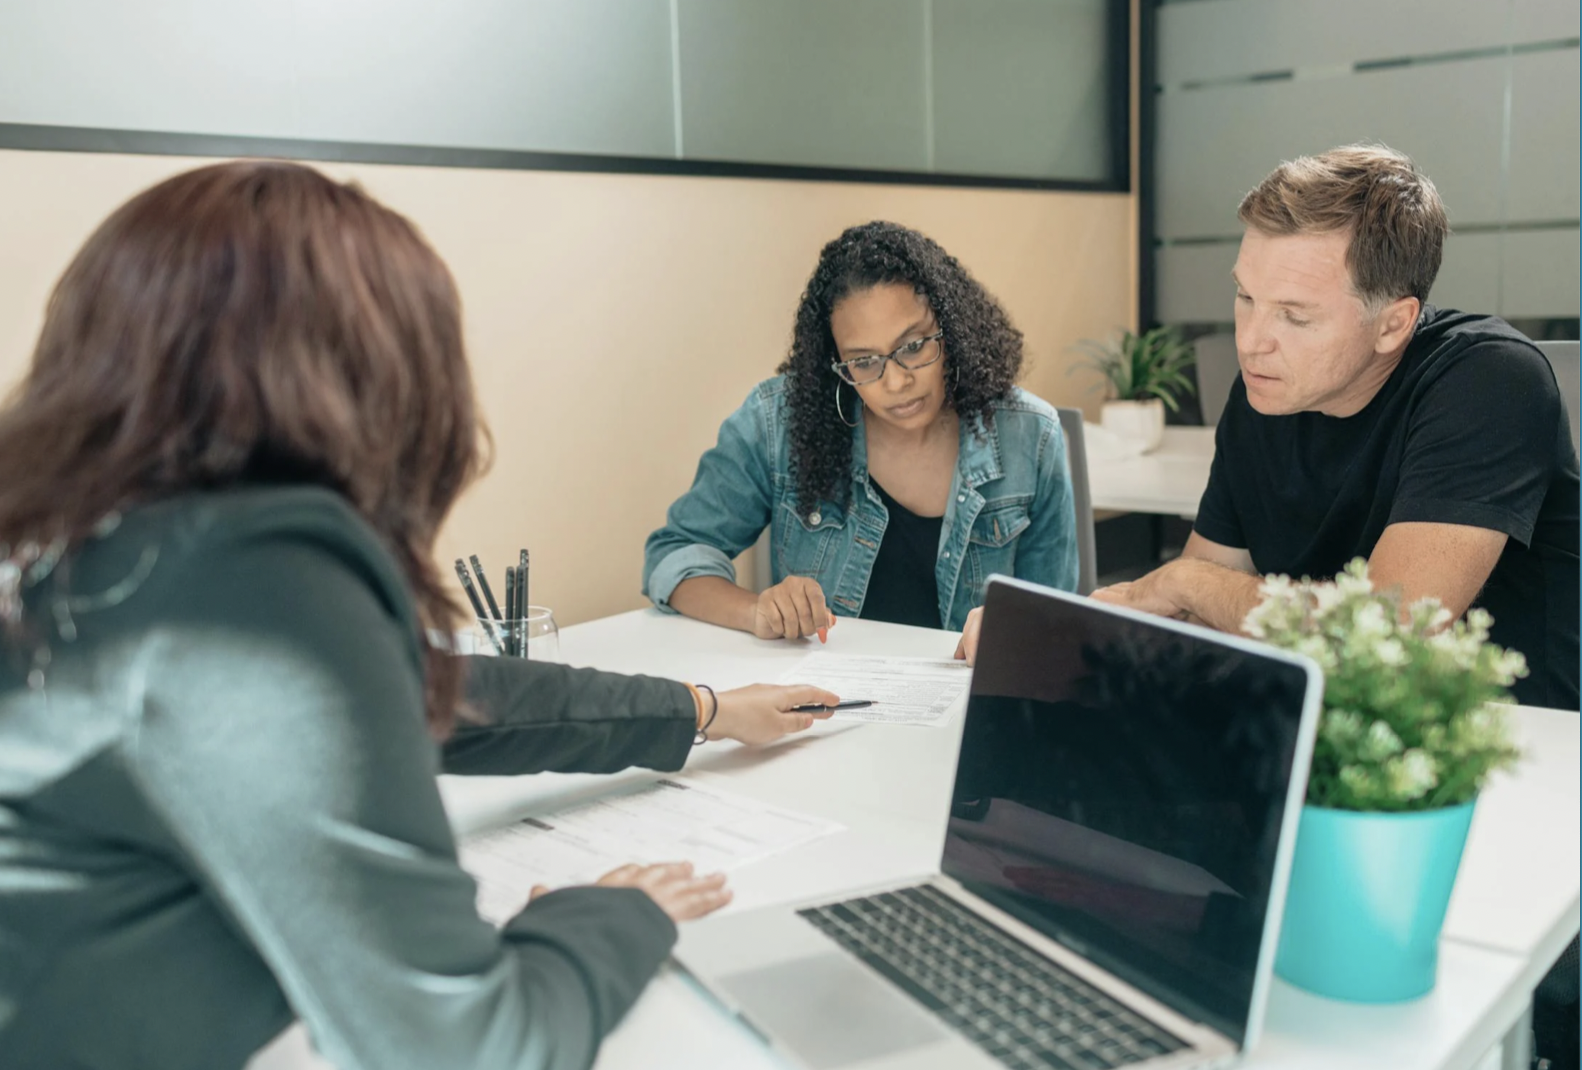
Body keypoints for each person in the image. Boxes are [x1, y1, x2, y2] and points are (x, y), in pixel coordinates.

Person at [0, 161, 842, 1070]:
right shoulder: (248, 572)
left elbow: (429, 689)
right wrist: (606, 912)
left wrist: (700, 710)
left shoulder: (93, 545)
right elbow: (472, 1049)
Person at [959, 144, 1580, 714]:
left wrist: (1188, 580)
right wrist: (1055, 628)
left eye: (1295, 316)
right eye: (1245, 297)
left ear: (1394, 325)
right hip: (1327, 728)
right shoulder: (1265, 393)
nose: (1252, 342)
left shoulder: (1491, 380)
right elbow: (1187, 617)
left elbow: (1389, 631)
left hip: (1513, 748)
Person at [643, 221, 1079, 639]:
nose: (896, 381)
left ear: (953, 330)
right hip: (823, 706)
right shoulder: (777, 422)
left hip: (964, 706)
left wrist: (1017, 631)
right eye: (864, 361)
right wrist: (758, 610)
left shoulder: (1030, 435)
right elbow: (675, 553)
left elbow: (1056, 617)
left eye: (912, 346)